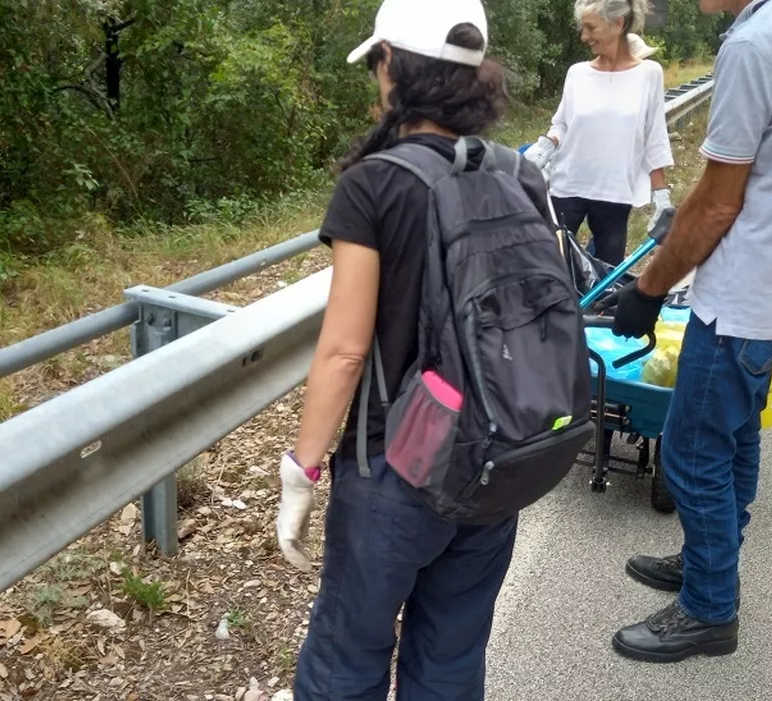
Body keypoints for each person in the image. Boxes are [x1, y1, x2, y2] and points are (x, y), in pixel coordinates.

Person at [272, 0, 557, 697]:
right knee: (452, 655)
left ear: (393, 63)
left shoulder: (375, 183)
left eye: (376, 62)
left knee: (348, 654)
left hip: (394, 468)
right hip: (493, 462)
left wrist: (300, 471)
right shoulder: (521, 175)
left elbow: (343, 352)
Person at [599, 0, 772, 662]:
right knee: (738, 434)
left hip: (745, 295)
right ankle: (705, 559)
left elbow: (722, 200)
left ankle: (709, 607)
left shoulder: (755, 43)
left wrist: (650, 286)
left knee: (694, 453)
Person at [523, 0, 674, 266]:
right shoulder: (577, 74)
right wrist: (545, 147)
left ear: (618, 24)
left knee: (607, 277)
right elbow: (562, 124)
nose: (584, 37)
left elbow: (655, 137)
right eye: (582, 28)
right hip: (567, 185)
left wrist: (660, 194)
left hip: (615, 190)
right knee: (551, 266)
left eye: (590, 28)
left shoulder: (649, 75)